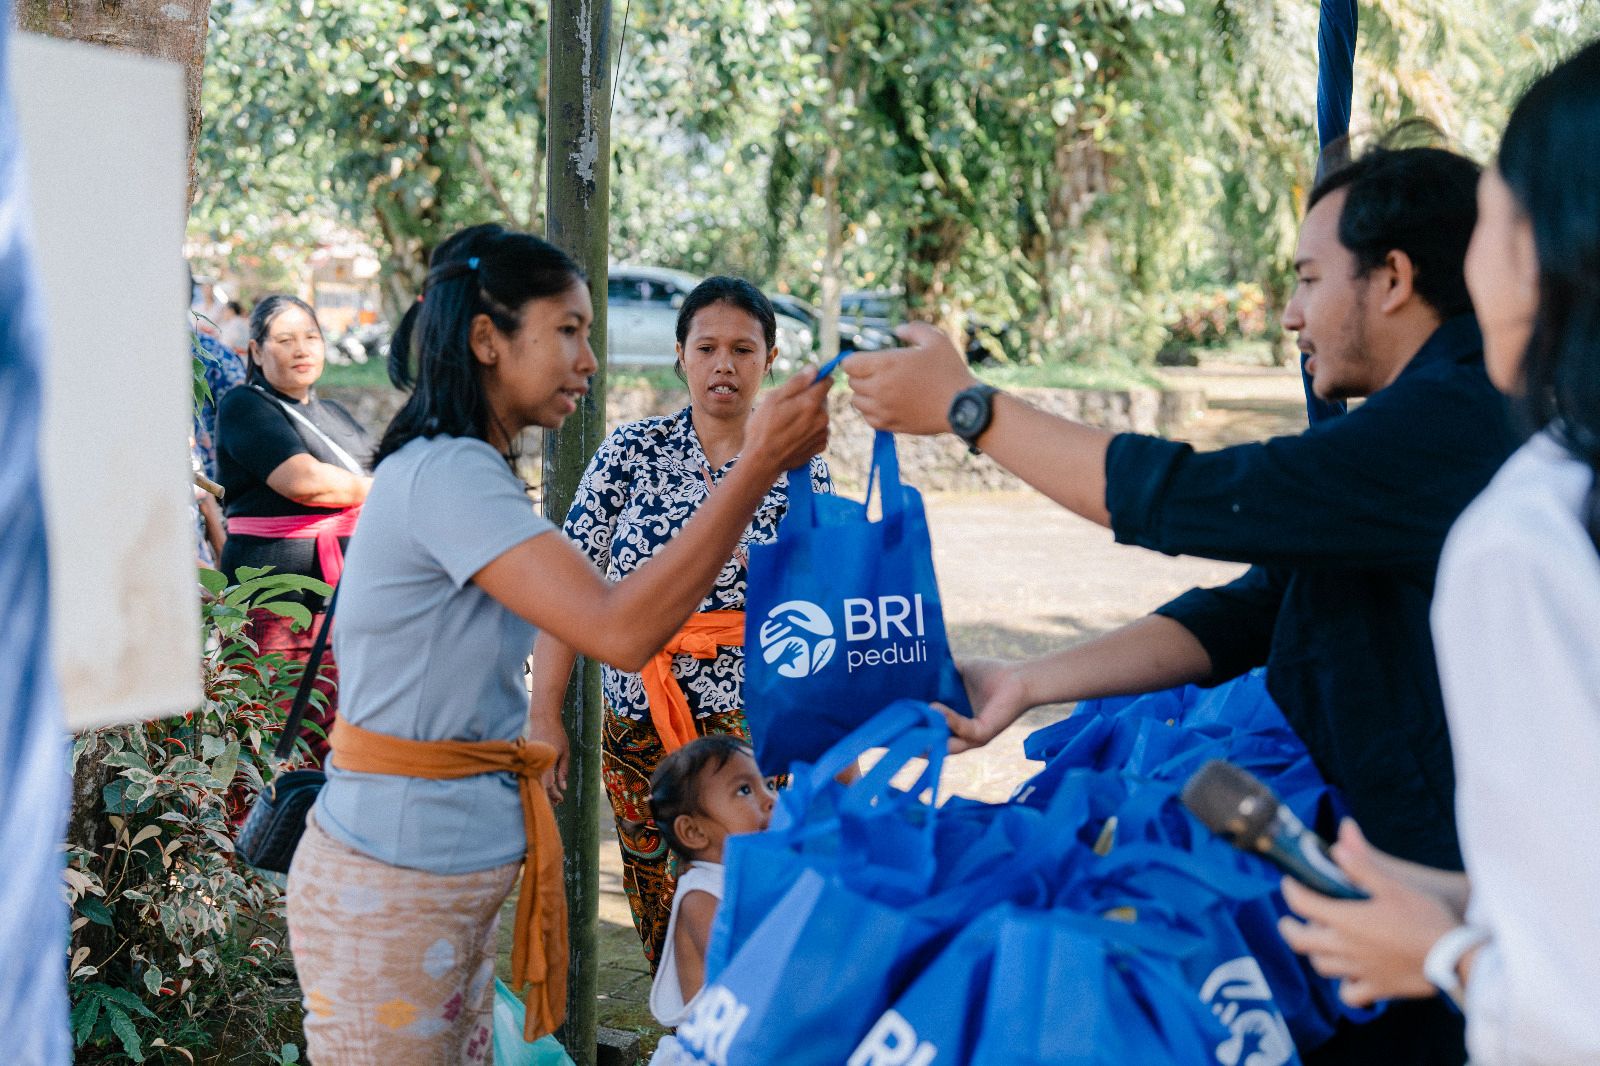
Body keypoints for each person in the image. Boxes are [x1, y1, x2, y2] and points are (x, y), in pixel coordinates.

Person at [844, 142, 1517, 1064]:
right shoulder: (1420, 435)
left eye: (1310, 279)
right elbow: (1250, 609)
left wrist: (972, 410)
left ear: (1394, 278)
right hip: (1407, 895)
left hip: (1479, 925)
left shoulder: (1458, 423)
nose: (1290, 316)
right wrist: (1027, 683)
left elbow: (1191, 497)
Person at [284, 224, 829, 1062]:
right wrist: (755, 469)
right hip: (394, 880)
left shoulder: (470, 471)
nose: (590, 360)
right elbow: (618, 627)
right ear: (486, 340)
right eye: (568, 331)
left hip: (427, 877)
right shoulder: (451, 474)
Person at [1279, 42, 1600, 1066]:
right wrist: (1477, 899)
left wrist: (1446, 951)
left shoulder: (1536, 530)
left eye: (1494, 219)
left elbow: (1569, 1012)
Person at [529, 275, 831, 968]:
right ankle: (684, 1034)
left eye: (744, 349)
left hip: (756, 725)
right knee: (661, 890)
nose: (725, 364)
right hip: (640, 718)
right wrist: (544, 711)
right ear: (681, 355)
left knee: (756, 891)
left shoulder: (799, 467)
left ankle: (750, 1034)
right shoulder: (630, 453)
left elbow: (821, 601)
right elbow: (568, 588)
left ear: (769, 359)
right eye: (709, 347)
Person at [215, 295, 374, 765]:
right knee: (273, 736)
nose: (302, 348)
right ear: (257, 351)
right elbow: (304, 482)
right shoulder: (244, 404)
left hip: (344, 603)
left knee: (339, 739)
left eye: (311, 337)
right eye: (285, 340)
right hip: (275, 603)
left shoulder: (337, 417)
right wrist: (385, 487)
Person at [647, 735, 776, 1028]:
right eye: (745, 790)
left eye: (767, 784)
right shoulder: (702, 896)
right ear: (693, 831)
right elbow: (754, 967)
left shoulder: (751, 873)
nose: (770, 799)